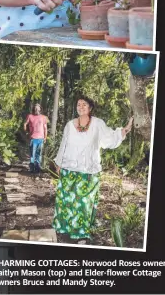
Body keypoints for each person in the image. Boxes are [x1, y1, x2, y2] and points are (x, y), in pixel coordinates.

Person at [53, 96, 133, 242]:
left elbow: (109, 138)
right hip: (69, 169)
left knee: (84, 202)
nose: (81, 106)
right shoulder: (70, 125)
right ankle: (64, 228)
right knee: (66, 200)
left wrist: (124, 130)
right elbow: (63, 144)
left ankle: (81, 232)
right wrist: (59, 163)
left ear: (90, 108)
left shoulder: (97, 124)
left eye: (84, 104)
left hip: (89, 171)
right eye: (78, 104)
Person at [23, 103, 49, 173]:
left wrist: (45, 138)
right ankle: (32, 168)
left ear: (40, 109)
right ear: (34, 109)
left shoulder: (44, 117)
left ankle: (37, 168)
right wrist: (26, 131)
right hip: (33, 138)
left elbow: (45, 128)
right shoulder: (30, 116)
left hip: (41, 138)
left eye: (38, 108)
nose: (37, 109)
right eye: (35, 108)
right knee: (32, 154)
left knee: (39, 154)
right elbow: (25, 123)